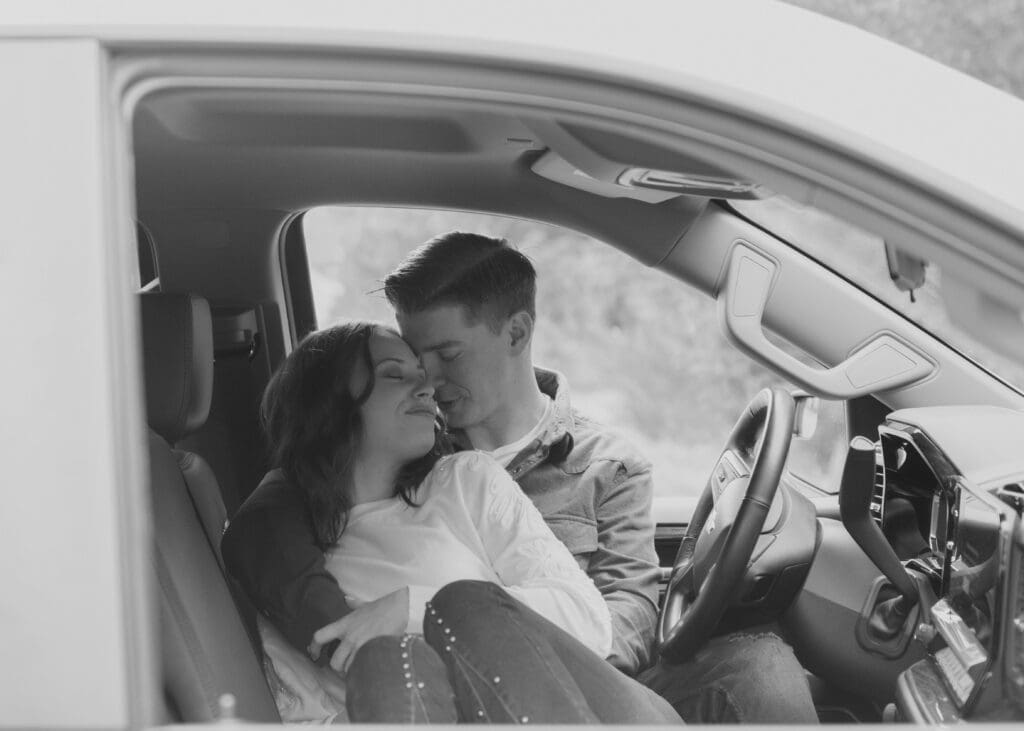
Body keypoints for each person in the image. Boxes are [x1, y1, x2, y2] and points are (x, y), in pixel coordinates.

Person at [223, 232, 818, 724]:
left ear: (515, 333)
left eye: (446, 355)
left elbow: (626, 623)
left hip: (593, 680)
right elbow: (274, 519)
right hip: (452, 689)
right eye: (411, 357)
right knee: (410, 652)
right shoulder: (404, 455)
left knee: (758, 668)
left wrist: (519, 650)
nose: (428, 379)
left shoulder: (605, 464)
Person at [243, 320, 680, 724]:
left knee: (462, 605)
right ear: (327, 404)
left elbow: (588, 619)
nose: (427, 387)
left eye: (423, 372)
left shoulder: (466, 480)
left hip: (594, 709)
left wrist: (412, 608)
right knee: (387, 663)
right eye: (396, 374)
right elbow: (305, 709)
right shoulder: (292, 557)